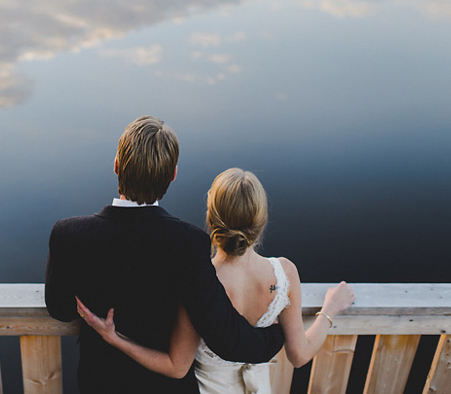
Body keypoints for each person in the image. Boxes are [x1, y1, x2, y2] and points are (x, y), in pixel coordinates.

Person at [45, 117, 285, 394]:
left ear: (116, 166)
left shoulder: (68, 234)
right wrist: (277, 335)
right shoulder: (190, 244)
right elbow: (226, 339)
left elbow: (60, 310)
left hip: (100, 382)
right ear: (172, 174)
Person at [77, 167, 355, 394]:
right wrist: (328, 310)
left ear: (211, 218)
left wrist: (115, 339)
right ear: (261, 220)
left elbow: (177, 366)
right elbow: (299, 355)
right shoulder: (284, 273)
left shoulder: (199, 280)